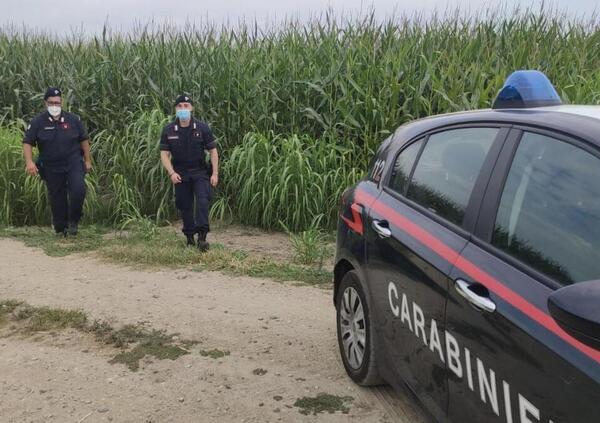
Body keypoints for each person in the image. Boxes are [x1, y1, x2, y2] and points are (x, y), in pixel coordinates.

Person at [22, 87, 92, 236]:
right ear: (45, 103)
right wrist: (29, 162)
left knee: (78, 191)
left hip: (73, 163)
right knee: (57, 198)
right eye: (51, 103)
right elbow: (27, 142)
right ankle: (61, 228)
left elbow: (84, 140)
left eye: (57, 103)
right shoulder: (37, 122)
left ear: (62, 103)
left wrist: (87, 160)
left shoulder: (73, 120)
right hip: (51, 166)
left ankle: (74, 221)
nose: (55, 106)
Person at [159, 95, 219, 251]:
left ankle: (202, 238)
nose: (183, 109)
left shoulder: (202, 128)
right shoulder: (169, 130)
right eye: (180, 106)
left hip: (199, 172)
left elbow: (213, 151)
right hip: (180, 173)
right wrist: (171, 173)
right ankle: (190, 238)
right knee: (184, 205)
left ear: (191, 108)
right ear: (176, 109)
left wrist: (215, 174)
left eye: (186, 106)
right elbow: (164, 154)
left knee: (202, 202)